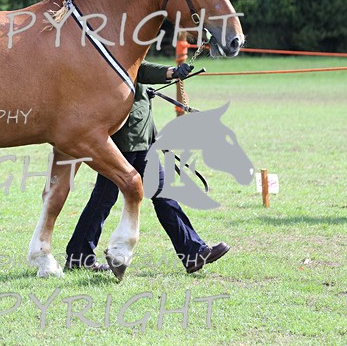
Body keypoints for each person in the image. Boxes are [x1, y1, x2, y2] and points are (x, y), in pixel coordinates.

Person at [65, 60, 229, 274]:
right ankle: (78, 256)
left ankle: (193, 252)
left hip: (143, 140)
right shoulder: (113, 53)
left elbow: (138, 70)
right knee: (103, 199)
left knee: (162, 196)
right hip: (122, 142)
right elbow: (138, 69)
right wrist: (171, 72)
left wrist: (147, 90)